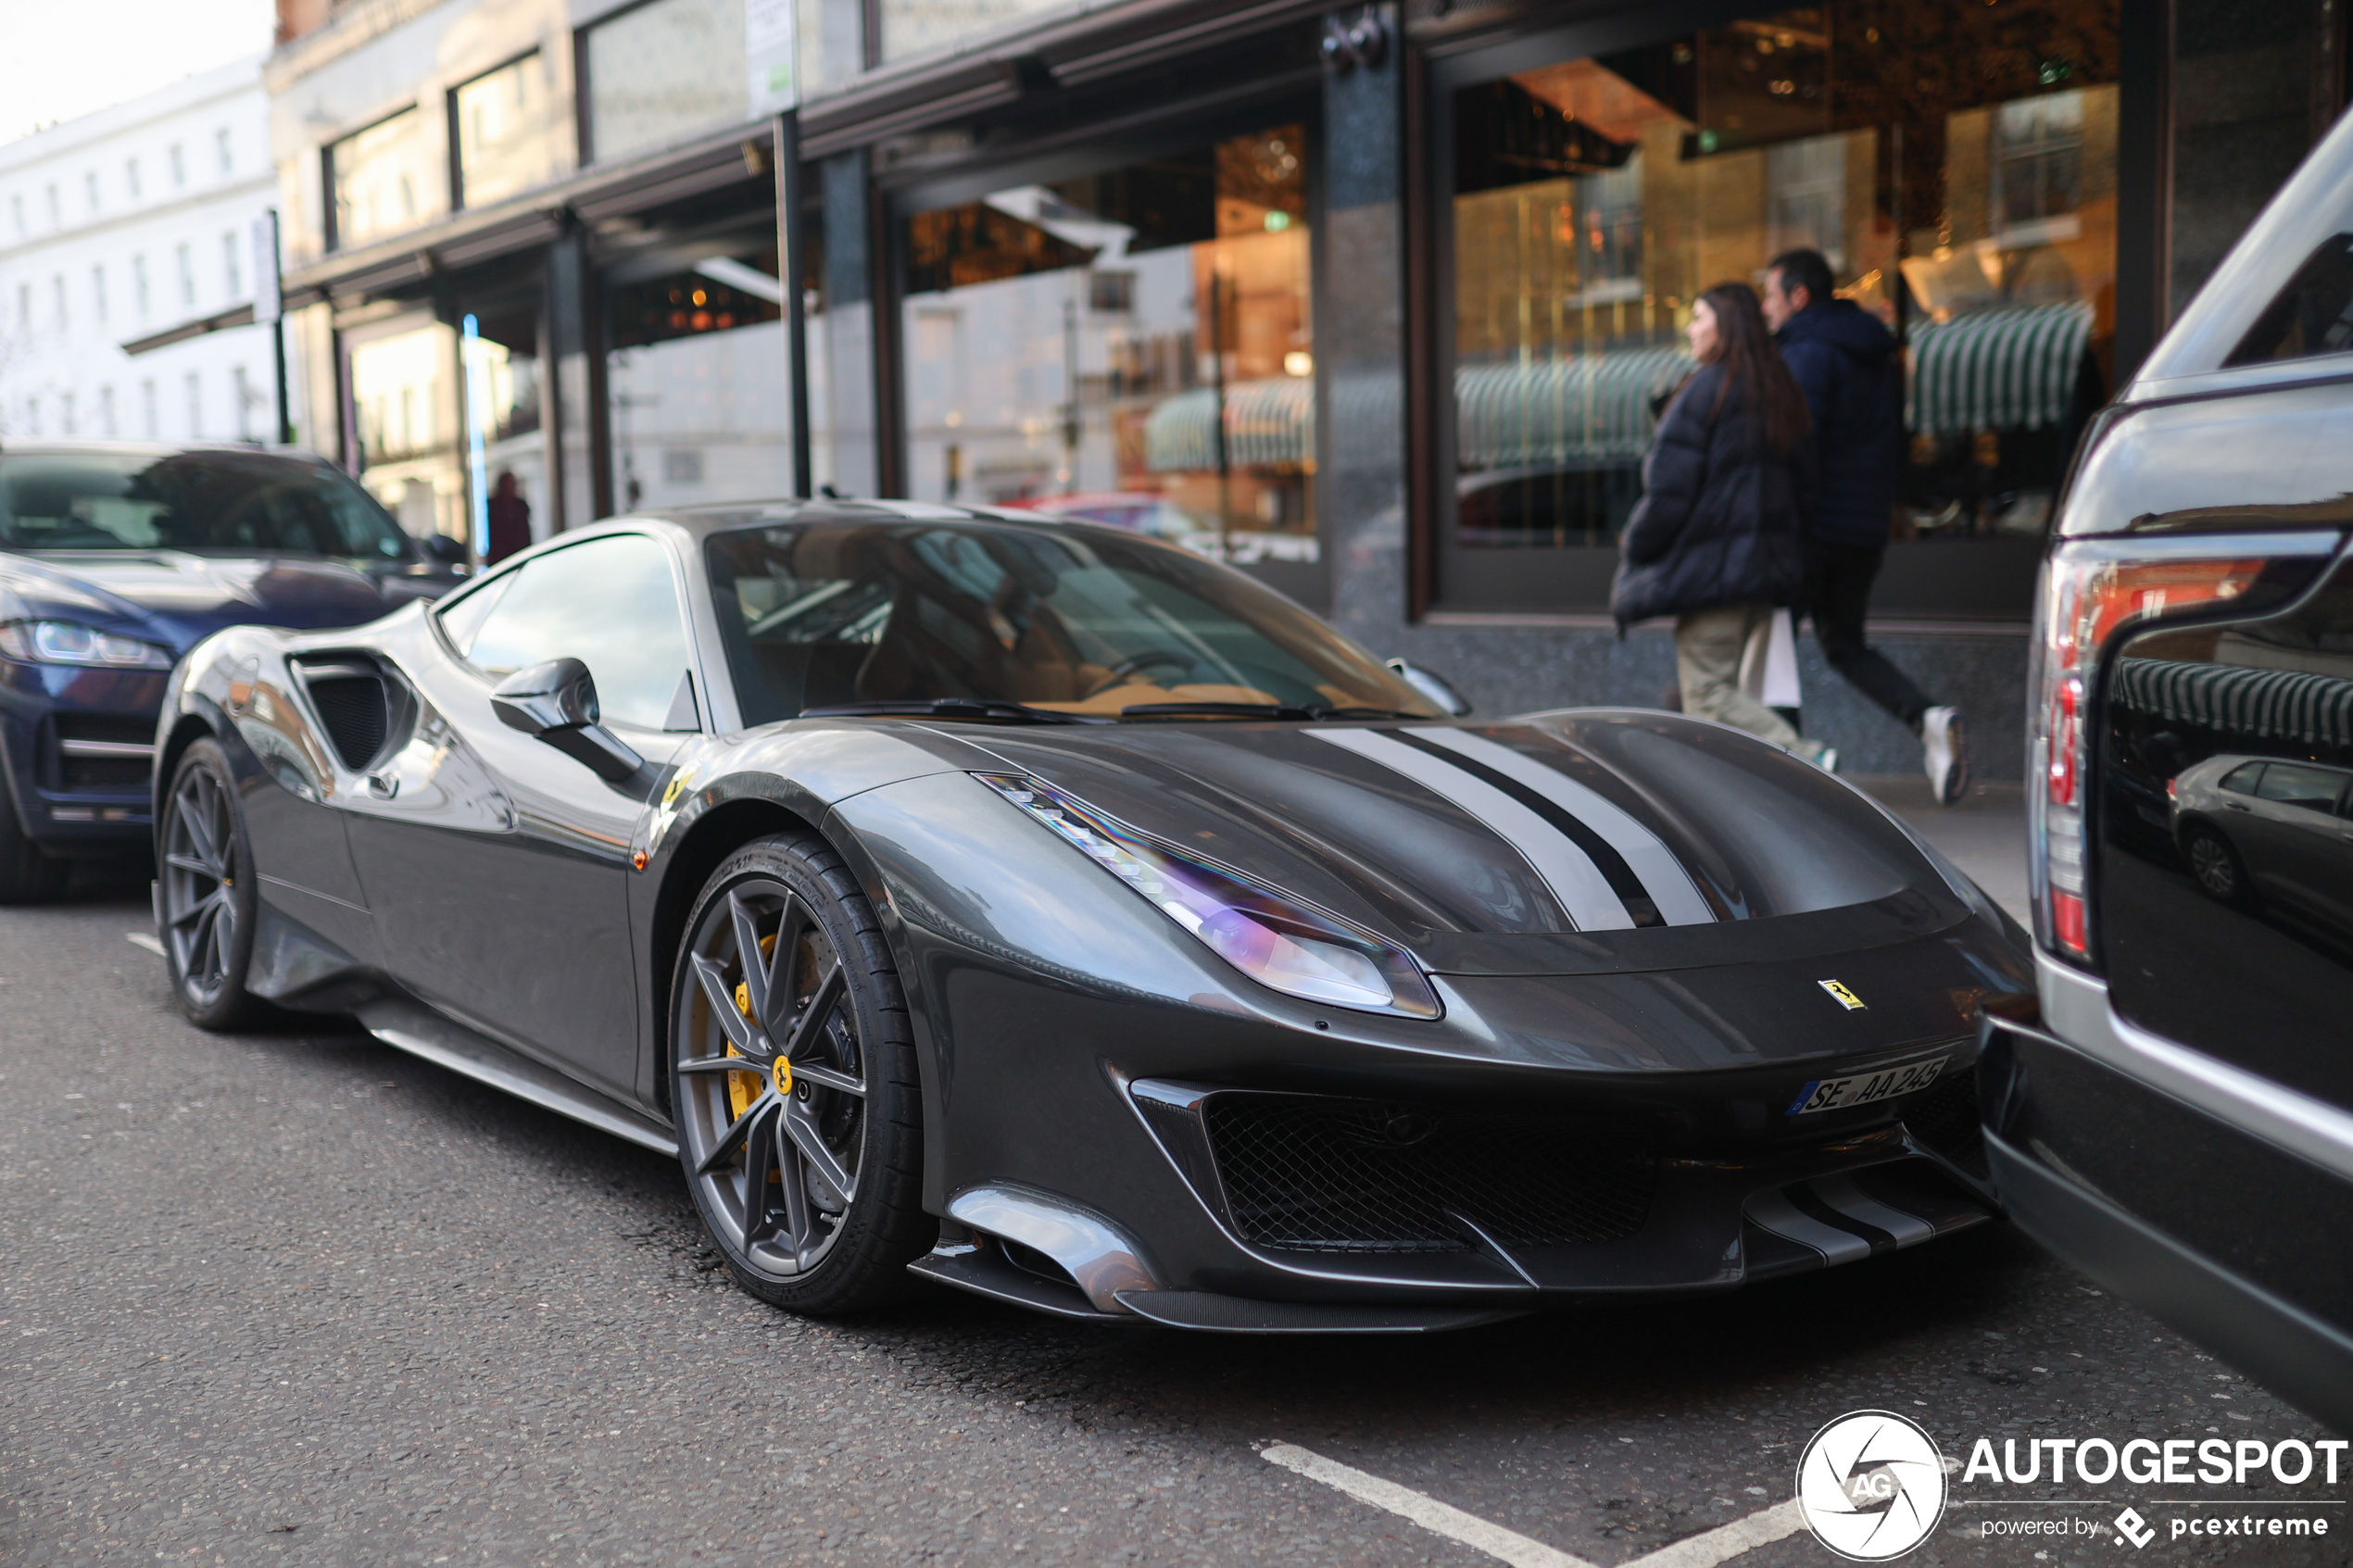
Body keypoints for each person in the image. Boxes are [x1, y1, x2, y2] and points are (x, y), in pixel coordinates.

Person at [1762, 247, 1968, 804]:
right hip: (1862, 527)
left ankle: (1794, 773)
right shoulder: (1870, 351)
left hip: (1812, 527)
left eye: (1771, 295)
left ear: (1799, 296)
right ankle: (1927, 717)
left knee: (1771, 644)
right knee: (1845, 645)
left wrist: (1784, 516)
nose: (1766, 307)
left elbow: (1798, 445)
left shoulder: (1807, 352)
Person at [1613, 282, 1832, 770]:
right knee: (1727, 694)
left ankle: (1809, 761)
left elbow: (1669, 492)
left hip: (1716, 575)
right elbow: (1805, 488)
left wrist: (1637, 548)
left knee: (1708, 695)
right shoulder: (1779, 391)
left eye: (1697, 317)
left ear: (1724, 325)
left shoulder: (1706, 390)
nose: (1690, 329)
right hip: (1766, 574)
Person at [485, 470, 532, 564]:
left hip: (519, 553)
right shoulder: (493, 506)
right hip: (500, 555)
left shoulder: (520, 506)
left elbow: (525, 532)